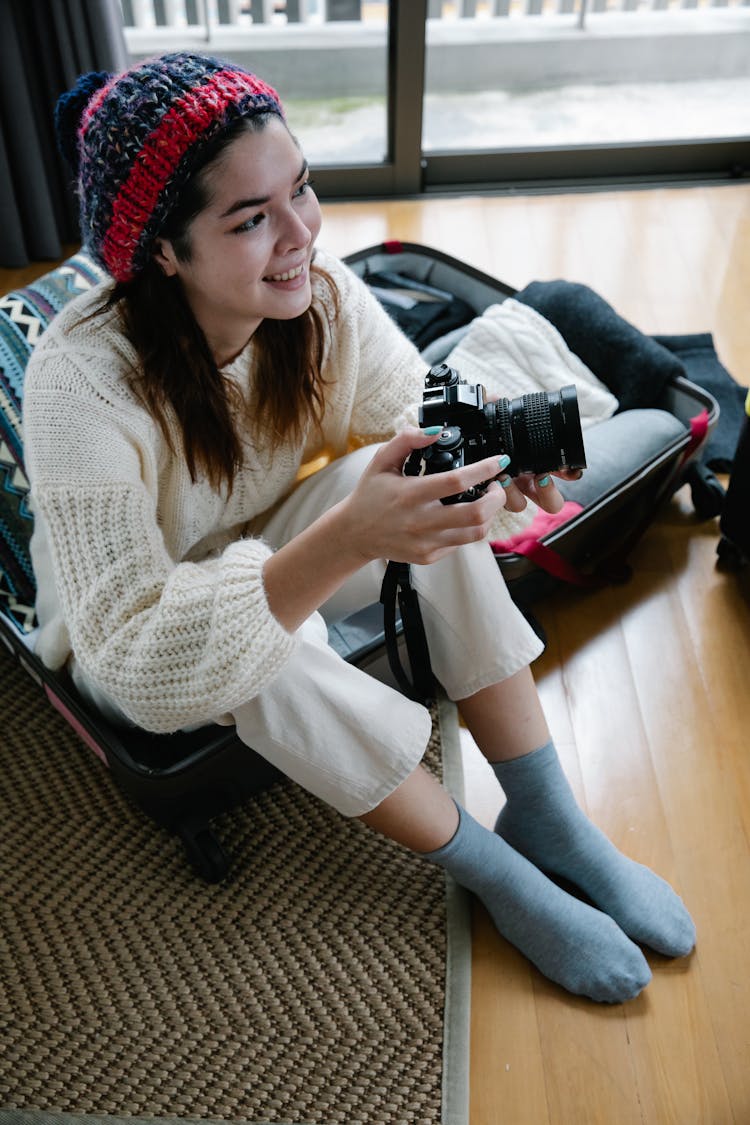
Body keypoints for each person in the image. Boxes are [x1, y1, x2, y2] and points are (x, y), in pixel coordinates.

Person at [24, 51, 695, 1003]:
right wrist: (343, 542)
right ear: (164, 253)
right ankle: (494, 874)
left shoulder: (320, 292)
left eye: (300, 189)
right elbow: (137, 655)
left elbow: (410, 410)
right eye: (251, 219)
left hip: (254, 539)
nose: (301, 233)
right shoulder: (79, 382)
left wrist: (499, 463)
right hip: (127, 627)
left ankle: (546, 816)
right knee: (267, 644)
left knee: (427, 466)